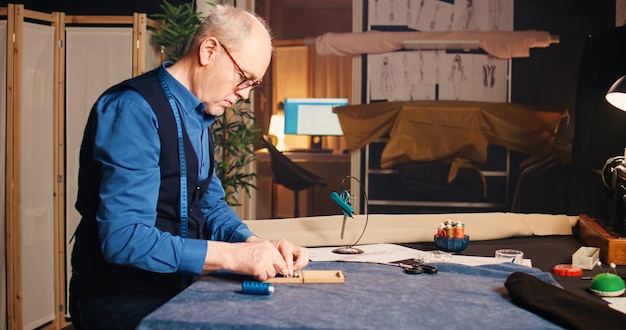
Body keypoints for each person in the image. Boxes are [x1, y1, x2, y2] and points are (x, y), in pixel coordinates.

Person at [69, 5, 309, 329]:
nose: (244, 94)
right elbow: (125, 239)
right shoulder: (134, 110)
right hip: (121, 299)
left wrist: (252, 244)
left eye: (253, 84)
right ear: (209, 50)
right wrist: (233, 257)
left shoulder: (199, 115)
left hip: (176, 290)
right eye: (243, 78)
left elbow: (209, 207)